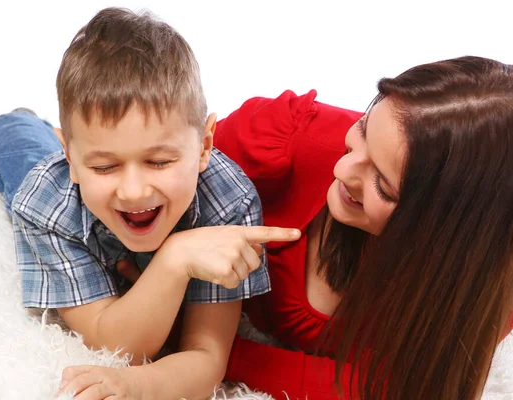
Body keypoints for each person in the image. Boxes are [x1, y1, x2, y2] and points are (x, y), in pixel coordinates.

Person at [0, 7, 299, 400]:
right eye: (105, 166)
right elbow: (114, 340)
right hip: (53, 180)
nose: (133, 191)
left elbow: (207, 356)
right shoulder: (47, 201)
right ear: (72, 160)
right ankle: (19, 123)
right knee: (17, 151)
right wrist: (175, 258)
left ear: (204, 148)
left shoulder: (229, 201)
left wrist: (136, 386)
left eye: (158, 161)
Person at [213, 56, 513, 399]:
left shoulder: (486, 283)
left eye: (383, 186)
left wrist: (211, 353)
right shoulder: (278, 137)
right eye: (363, 129)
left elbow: (400, 390)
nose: (343, 169)